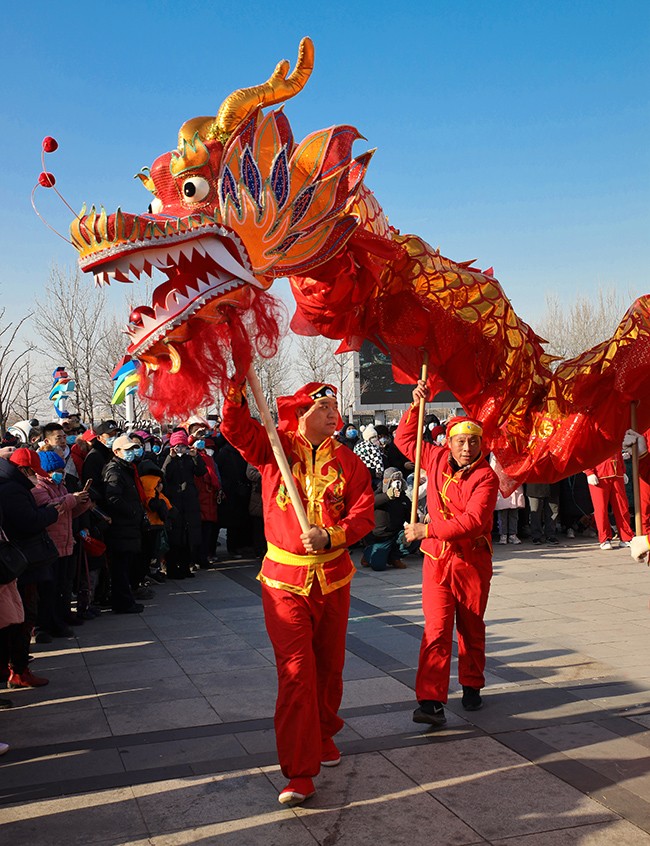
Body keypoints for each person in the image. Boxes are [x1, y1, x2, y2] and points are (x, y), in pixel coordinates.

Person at [221, 380, 374, 806]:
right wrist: (236, 388)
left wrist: (332, 535)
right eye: (323, 405)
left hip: (334, 579)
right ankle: (300, 772)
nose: (332, 413)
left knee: (330, 670)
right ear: (302, 412)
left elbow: (363, 510)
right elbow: (236, 430)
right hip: (285, 583)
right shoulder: (274, 448)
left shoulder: (347, 460)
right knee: (296, 674)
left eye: (334, 406)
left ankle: (324, 734)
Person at [396, 380, 499, 726]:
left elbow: (473, 521)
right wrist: (415, 407)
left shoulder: (486, 477)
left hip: (471, 562)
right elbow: (405, 441)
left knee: (471, 628)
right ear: (449, 442)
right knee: (436, 630)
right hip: (437, 561)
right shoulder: (437, 456)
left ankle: (471, 684)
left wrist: (427, 529)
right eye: (460, 441)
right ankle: (430, 700)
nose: (467, 448)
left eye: (473, 442)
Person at [102, 435, 146, 613]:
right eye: (126, 450)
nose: (131, 453)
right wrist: (132, 511)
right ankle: (122, 602)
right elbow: (112, 497)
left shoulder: (126, 468)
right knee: (120, 568)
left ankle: (125, 600)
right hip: (121, 526)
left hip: (128, 526)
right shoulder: (114, 470)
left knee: (125, 566)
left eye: (132, 449)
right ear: (116, 451)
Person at [162, 430, 206, 578]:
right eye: (177, 446)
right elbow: (164, 475)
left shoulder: (189, 459)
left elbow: (201, 471)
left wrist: (195, 457)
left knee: (188, 537)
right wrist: (170, 458)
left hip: (189, 502)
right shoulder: (168, 458)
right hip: (174, 502)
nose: (180, 449)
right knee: (175, 537)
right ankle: (172, 568)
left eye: (183, 446)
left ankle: (186, 566)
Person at [361, 467, 412, 570]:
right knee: (378, 566)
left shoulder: (404, 498)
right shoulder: (377, 494)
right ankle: (368, 554)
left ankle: (394, 557)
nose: (396, 483)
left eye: (398, 480)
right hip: (379, 537)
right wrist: (387, 496)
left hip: (396, 535)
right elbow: (369, 503)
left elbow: (409, 517)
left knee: (413, 538)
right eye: (393, 480)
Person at [584, 453, 634, 550]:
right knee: (601, 509)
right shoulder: (592, 438)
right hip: (599, 474)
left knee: (622, 507)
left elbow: (618, 453)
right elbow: (584, 454)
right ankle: (605, 538)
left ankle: (626, 537)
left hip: (616, 473)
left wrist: (622, 470)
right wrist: (589, 472)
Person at [353, 424, 385, 489]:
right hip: (372, 473)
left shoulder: (358, 446)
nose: (376, 439)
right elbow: (377, 460)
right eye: (374, 437)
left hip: (359, 473)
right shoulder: (372, 447)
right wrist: (380, 472)